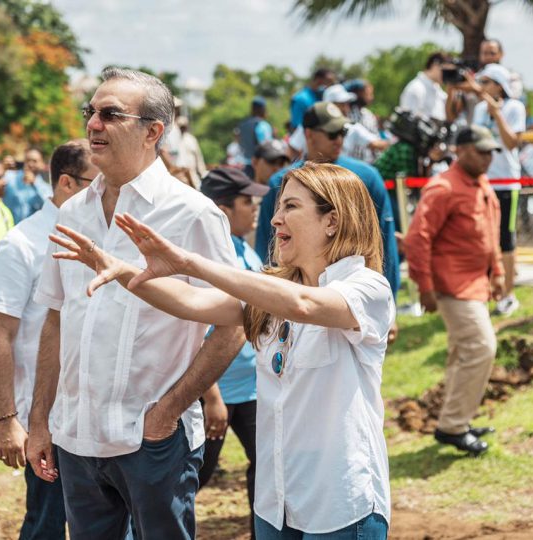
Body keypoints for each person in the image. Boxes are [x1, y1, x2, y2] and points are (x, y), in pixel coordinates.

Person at [50, 161, 394, 539]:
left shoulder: (366, 288)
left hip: (339, 505)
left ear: (333, 220)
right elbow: (191, 302)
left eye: (291, 207)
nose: (276, 219)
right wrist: (121, 270)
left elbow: (304, 305)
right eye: (277, 207)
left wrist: (190, 262)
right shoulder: (271, 294)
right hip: (276, 503)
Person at [25, 68, 243, 540]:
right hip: (77, 436)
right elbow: (56, 319)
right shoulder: (72, 212)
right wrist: (40, 420)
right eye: (91, 112)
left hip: (152, 441)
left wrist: (169, 411)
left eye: (110, 114)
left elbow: (235, 323)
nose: (93, 124)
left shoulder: (191, 213)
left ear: (153, 131)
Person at [0, 140, 98, 540]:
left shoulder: (106, 236)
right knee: (47, 524)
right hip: (46, 416)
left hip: (99, 415)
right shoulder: (23, 244)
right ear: (67, 183)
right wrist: (6, 420)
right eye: (96, 182)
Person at [404, 126, 504, 455]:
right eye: (481, 151)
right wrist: (424, 287)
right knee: (481, 347)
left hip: (476, 283)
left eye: (491, 152)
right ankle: (452, 426)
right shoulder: (443, 187)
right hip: (453, 286)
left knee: (463, 354)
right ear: (460, 150)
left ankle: (458, 419)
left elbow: (491, 232)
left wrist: (498, 272)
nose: (488, 158)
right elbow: (418, 238)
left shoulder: (480, 183)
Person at [258, 102, 400, 304]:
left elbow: (384, 242)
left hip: (355, 298)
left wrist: (389, 300)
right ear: (309, 134)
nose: (339, 139)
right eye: (332, 133)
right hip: (294, 297)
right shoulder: (282, 182)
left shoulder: (365, 177)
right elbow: (267, 247)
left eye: (343, 132)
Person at [197, 167, 270, 540]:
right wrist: (212, 397)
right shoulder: (202, 258)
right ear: (222, 210)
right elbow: (193, 335)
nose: (255, 208)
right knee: (195, 475)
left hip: (253, 389)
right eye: (246, 201)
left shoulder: (245, 247)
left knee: (269, 468)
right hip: (216, 392)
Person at [470, 64, 526, 316]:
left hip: (506, 183)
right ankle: (488, 292)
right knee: (483, 240)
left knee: (506, 240)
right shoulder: (480, 110)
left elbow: (512, 142)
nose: (482, 86)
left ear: (499, 85)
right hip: (483, 182)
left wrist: (498, 114)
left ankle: (509, 295)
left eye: (487, 81)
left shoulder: (515, 107)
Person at [288, 88, 390, 163]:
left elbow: (378, 144)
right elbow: (292, 149)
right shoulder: (310, 125)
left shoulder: (353, 127)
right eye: (341, 104)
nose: (346, 108)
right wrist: (296, 168)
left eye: (342, 133)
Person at [3, 147, 54, 224]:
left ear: (42, 164)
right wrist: (2, 168)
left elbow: (49, 207)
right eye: (27, 160)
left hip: (31, 233)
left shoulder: (46, 188)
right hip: (9, 230)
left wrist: (35, 184)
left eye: (34, 161)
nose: (30, 164)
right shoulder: (10, 177)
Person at [399, 52, 450, 121]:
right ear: (435, 65)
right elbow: (408, 123)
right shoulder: (415, 88)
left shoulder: (439, 91)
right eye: (446, 71)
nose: (448, 75)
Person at [239, 97, 274, 177]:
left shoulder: (243, 125)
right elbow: (268, 149)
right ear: (263, 109)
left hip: (245, 168)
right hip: (260, 168)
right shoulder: (263, 125)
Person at [173, 116, 207, 188]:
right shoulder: (173, 140)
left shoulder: (191, 139)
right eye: (181, 126)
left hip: (193, 174)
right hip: (179, 175)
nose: (182, 128)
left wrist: (202, 172)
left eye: (184, 126)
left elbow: (198, 157)